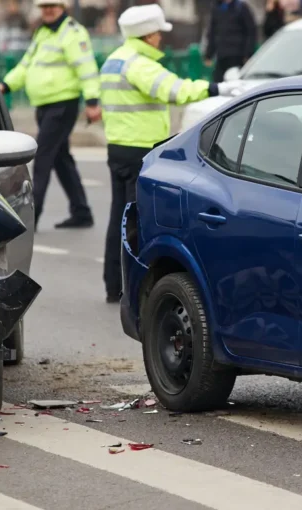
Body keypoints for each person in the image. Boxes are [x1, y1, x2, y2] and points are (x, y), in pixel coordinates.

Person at [100, 4, 236, 303]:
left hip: (118, 147)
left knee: (118, 219)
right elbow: (175, 91)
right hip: (140, 150)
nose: (161, 37)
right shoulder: (139, 64)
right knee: (137, 223)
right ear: (148, 35)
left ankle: (113, 284)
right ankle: (131, 288)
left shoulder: (114, 60)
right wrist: (218, 89)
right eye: (159, 32)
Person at [0, 0, 98, 230]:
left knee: (42, 157)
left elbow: (87, 67)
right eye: (44, 6)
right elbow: (26, 65)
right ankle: (82, 212)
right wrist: (6, 85)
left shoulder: (73, 32)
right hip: (44, 106)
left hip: (63, 104)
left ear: (63, 7)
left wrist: (92, 101)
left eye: (52, 5)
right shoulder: (42, 33)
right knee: (61, 158)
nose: (48, 10)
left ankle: (30, 218)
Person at [204, 0, 257, 83]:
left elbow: (251, 32)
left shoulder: (241, 7)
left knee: (236, 83)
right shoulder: (217, 8)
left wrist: (248, 54)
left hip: (237, 56)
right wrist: (209, 54)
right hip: (222, 56)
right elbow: (212, 33)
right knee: (218, 83)